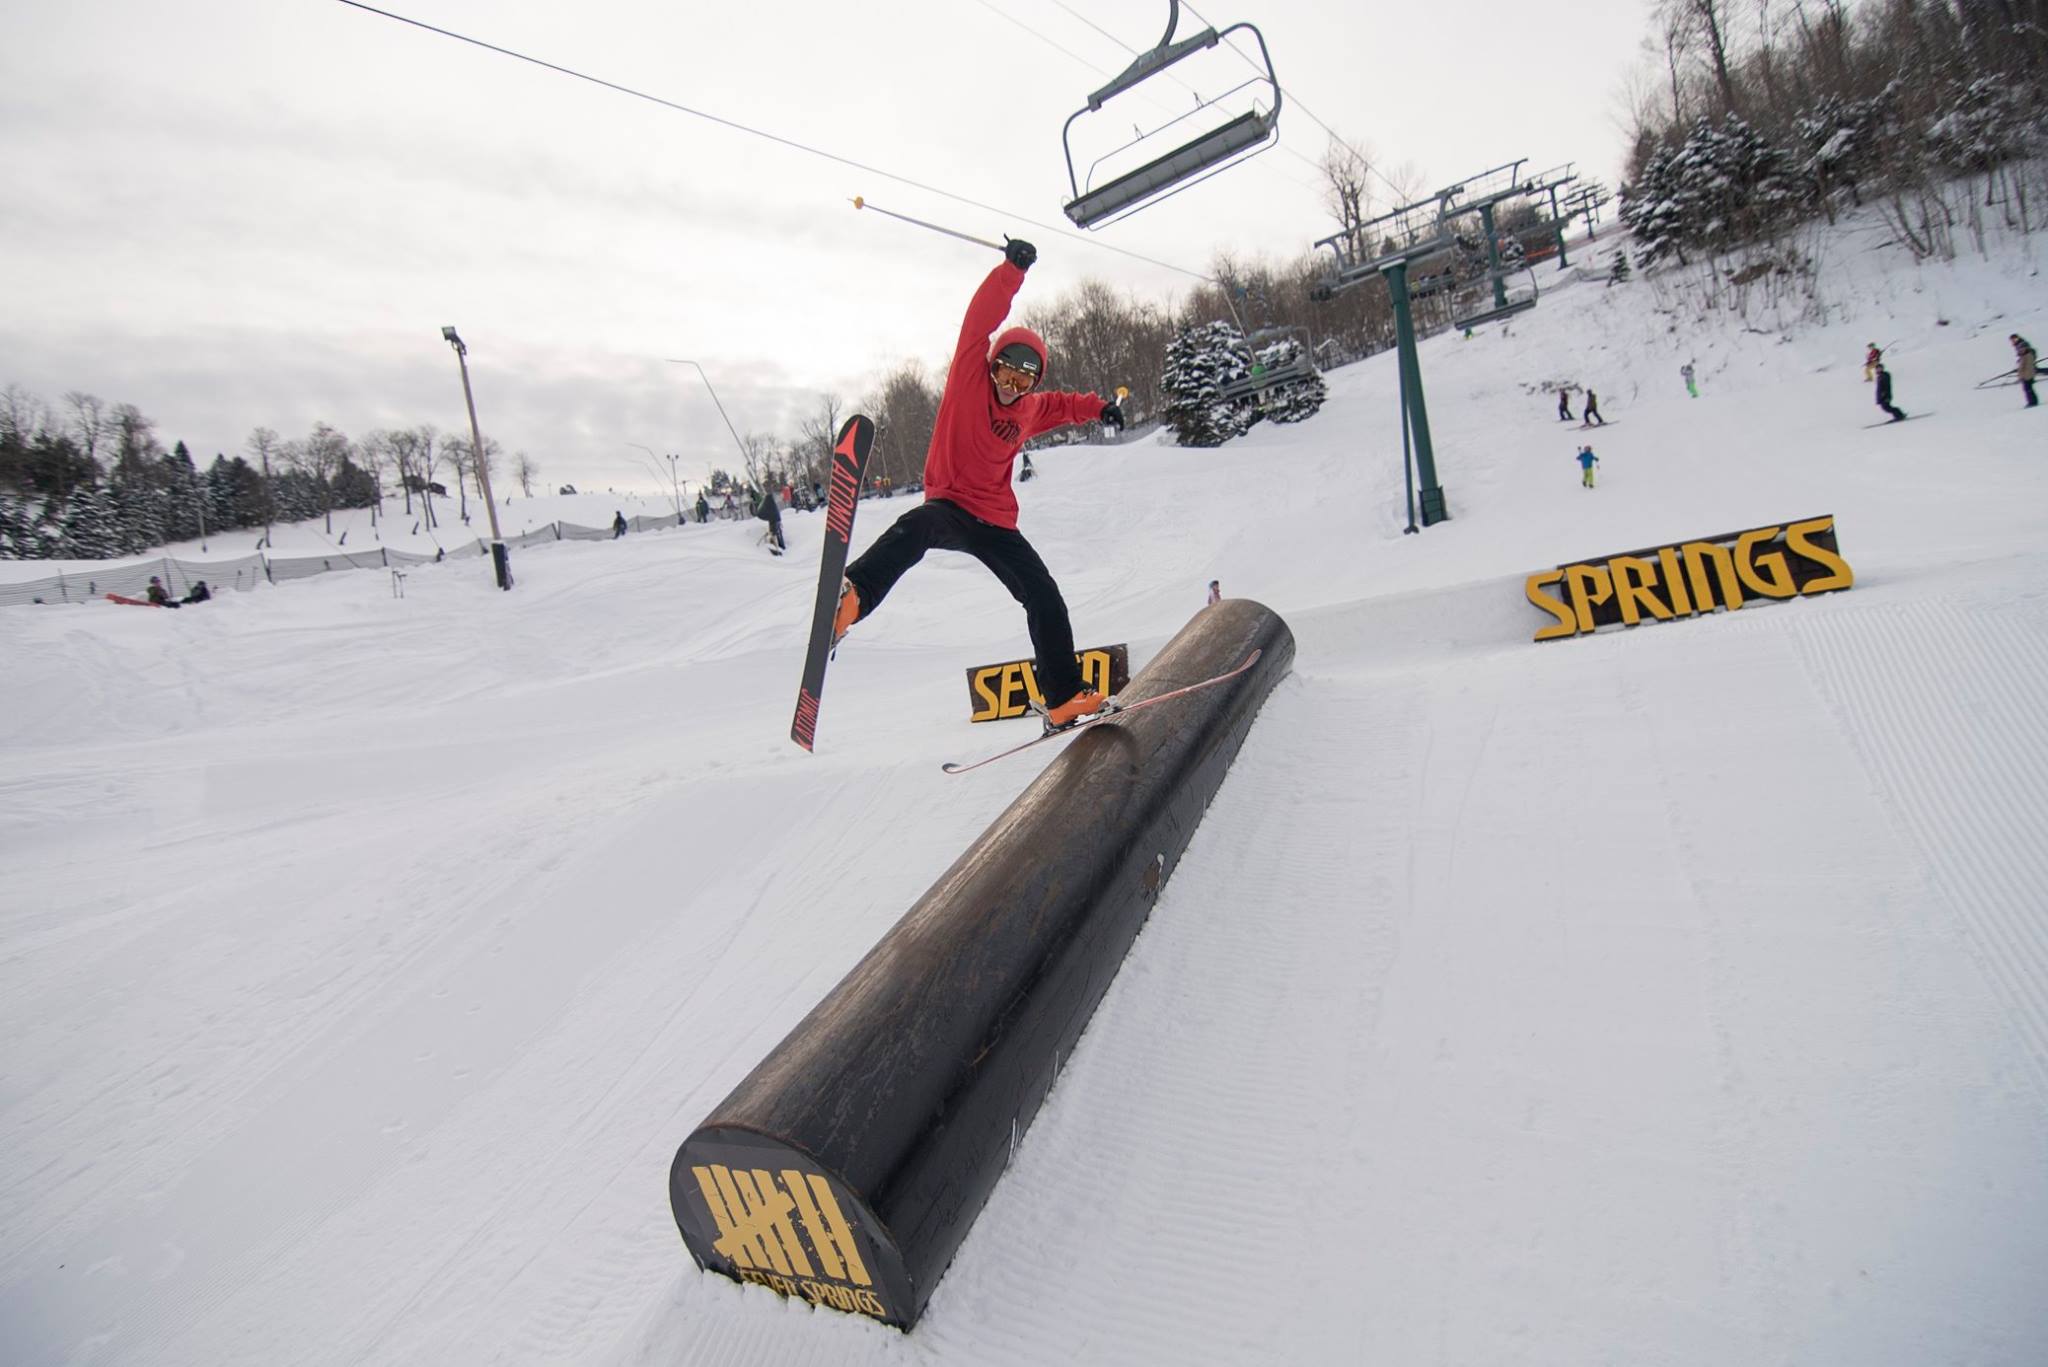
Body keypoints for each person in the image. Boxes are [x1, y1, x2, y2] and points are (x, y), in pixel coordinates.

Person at [831, 237, 1125, 730]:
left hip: (995, 522)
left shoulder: (1030, 408)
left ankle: (1063, 696)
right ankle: (853, 598)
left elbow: (1063, 406)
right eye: (1006, 374)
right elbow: (981, 317)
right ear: (991, 367)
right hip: (948, 505)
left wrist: (1099, 408)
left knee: (1043, 593)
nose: (1012, 388)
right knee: (917, 527)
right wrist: (1013, 271)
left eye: (1023, 382)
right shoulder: (968, 375)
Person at [755, 486, 785, 554]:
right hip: (775, 520)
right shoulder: (771, 503)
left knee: (775, 534)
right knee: (777, 534)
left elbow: (763, 513)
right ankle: (779, 547)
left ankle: (778, 549)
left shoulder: (769, 502)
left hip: (774, 521)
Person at [2013, 334, 2039, 409]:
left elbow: (2025, 366)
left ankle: (2032, 402)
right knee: (2028, 389)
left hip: (2027, 375)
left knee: (2028, 389)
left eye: (2021, 348)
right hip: (2026, 375)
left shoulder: (2026, 355)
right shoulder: (2025, 355)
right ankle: (2032, 401)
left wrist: (2022, 375)